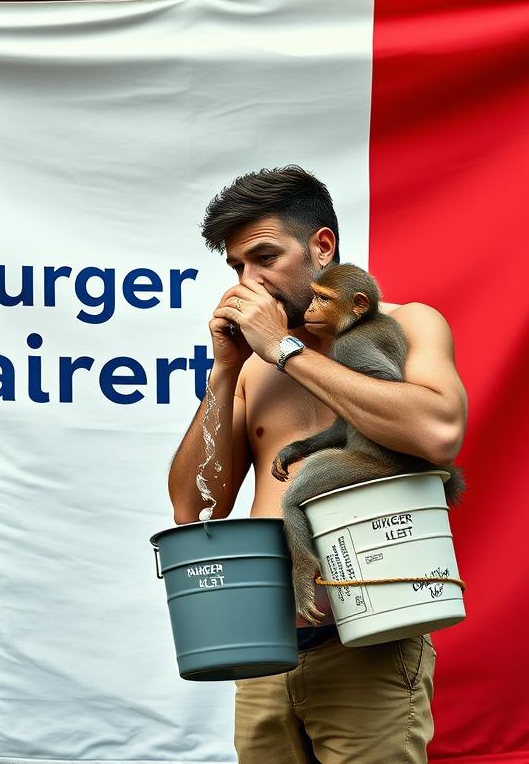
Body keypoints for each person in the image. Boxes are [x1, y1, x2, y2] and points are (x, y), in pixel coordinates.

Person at [167, 166, 467, 763]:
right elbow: (194, 507)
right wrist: (225, 371)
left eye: (264, 258)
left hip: (372, 644)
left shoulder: (406, 325)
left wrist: (285, 350)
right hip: (264, 647)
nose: (249, 283)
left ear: (321, 247)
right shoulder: (249, 368)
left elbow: (437, 432)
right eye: (237, 268)